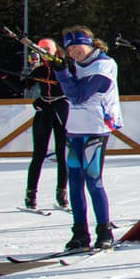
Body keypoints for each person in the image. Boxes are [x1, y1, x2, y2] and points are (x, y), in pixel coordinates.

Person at [53, 27, 122, 252]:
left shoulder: (104, 65)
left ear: (90, 43)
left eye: (78, 46)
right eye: (69, 48)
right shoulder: (76, 65)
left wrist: (62, 73)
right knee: (74, 181)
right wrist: (57, 69)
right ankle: (80, 233)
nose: (74, 52)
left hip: (96, 129)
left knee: (93, 180)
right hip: (74, 129)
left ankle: (104, 231)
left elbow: (78, 94)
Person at [19, 39, 69, 211]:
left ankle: (62, 194)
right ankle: (31, 194)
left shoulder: (63, 65)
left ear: (55, 50)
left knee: (63, 155)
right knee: (38, 155)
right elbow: (23, 86)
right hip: (44, 112)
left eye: (47, 49)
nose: (44, 52)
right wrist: (3, 76)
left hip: (62, 110)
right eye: (42, 49)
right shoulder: (40, 69)